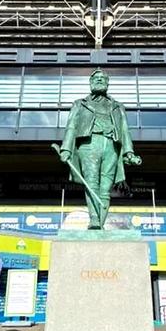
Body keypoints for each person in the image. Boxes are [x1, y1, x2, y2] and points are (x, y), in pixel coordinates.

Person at [58, 68, 142, 229]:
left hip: (111, 145)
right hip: (89, 144)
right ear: (90, 83)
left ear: (108, 84)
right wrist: (66, 149)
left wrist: (129, 152)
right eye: (96, 78)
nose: (99, 80)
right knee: (91, 183)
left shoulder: (117, 106)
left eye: (103, 78)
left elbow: (124, 130)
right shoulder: (80, 104)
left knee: (105, 188)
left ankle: (100, 224)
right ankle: (94, 220)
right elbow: (71, 126)